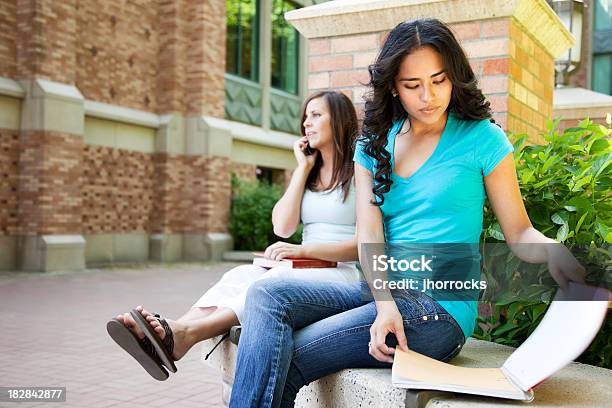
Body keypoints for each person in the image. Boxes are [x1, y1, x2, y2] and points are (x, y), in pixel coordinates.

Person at [227, 18, 585, 407]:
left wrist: (555, 252)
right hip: (376, 294)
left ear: (455, 78)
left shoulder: (482, 138)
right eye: (412, 85)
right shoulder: (372, 145)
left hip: (437, 309)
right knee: (265, 294)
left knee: (288, 357)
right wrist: (383, 305)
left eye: (439, 80)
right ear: (394, 88)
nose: (428, 96)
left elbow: (519, 232)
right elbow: (370, 235)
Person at [106, 90, 361, 381]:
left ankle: (184, 336)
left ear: (339, 120)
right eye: (305, 116)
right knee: (238, 275)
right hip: (302, 267)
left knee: (270, 284)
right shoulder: (310, 172)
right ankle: (173, 329)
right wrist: (301, 169)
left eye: (316, 115)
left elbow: (364, 245)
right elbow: (283, 227)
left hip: (339, 274)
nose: (306, 123)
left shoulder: (359, 173)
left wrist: (303, 251)